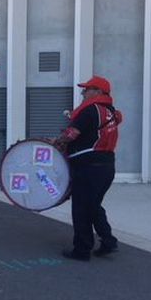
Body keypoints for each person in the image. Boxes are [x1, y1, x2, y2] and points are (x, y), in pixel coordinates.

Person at [53, 75, 122, 261]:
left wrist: (57, 142)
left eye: (87, 89)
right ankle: (108, 240)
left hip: (88, 168)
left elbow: (72, 133)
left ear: (98, 92)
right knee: (93, 206)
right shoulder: (111, 112)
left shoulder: (90, 110)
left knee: (81, 209)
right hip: (107, 166)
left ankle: (82, 250)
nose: (83, 92)